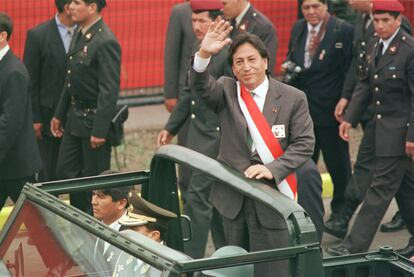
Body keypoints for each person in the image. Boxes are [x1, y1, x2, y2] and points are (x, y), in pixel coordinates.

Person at [190, 21, 316, 276]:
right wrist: (203, 54)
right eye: (239, 62)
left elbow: (304, 144)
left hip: (273, 200)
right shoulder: (226, 90)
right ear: (233, 69)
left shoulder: (293, 97)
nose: (246, 67)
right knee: (231, 271)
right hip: (231, 201)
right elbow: (200, 86)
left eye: (252, 59)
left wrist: (272, 168)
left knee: (272, 270)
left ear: (265, 62)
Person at [326, 0, 414, 256]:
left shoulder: (409, 50)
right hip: (377, 129)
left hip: (399, 133)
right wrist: (349, 119)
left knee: (378, 191)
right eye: (377, 20)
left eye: (386, 20)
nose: (380, 25)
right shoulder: (376, 45)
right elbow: (365, 84)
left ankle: (353, 248)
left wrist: (412, 137)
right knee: (406, 188)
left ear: (398, 20)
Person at [157, 0, 229, 259]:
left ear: (217, 20)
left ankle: (191, 261)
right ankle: (226, 255)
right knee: (204, 198)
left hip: (219, 140)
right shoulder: (199, 48)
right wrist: (170, 128)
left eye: (202, 20)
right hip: (198, 136)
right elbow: (188, 93)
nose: (196, 26)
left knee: (198, 199)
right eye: (193, 20)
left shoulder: (229, 50)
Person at [284, 0, 354, 223]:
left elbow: (350, 70)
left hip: (332, 110)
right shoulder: (298, 27)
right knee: (304, 165)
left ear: (326, 6)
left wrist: (346, 101)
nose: (311, 12)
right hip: (303, 112)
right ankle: (303, 213)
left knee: (338, 165)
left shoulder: (342, 29)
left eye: (316, 6)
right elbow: (292, 57)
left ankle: (341, 213)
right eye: (306, 8)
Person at [51, 0, 121, 214]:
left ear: (92, 7)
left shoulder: (105, 40)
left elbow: (109, 90)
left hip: (93, 123)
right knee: (66, 172)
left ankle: (95, 227)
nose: (70, 6)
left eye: (77, 2)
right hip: (74, 119)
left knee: (94, 182)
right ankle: (80, 220)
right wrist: (59, 114)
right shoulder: (81, 33)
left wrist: (100, 130)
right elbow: (70, 78)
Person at [23, 0, 76, 182]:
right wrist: (35, 118)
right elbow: (31, 81)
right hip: (47, 118)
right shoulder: (38, 35)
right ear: (68, 7)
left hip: (76, 117)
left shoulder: (85, 33)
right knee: (48, 173)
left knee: (74, 172)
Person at [0, 12, 42, 211]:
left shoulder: (13, 71)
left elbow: (10, 122)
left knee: (36, 225)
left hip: (17, 167)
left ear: (2, 36)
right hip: (5, 163)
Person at [163, 0, 197, 203]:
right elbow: (172, 53)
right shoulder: (181, 12)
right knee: (185, 148)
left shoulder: (222, 8)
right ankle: (186, 198)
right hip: (185, 95)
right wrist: (170, 93)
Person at [112, 192, 177, 277]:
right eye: (127, 228)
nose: (127, 233)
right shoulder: (124, 255)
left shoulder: (170, 268)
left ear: (154, 235)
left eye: (134, 230)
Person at [221, 0, 278, 74]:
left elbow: (266, 66)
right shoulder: (228, 21)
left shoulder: (262, 27)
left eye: (224, 3)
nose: (221, 9)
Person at [91, 184, 131, 262]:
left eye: (101, 196)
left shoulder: (133, 233)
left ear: (121, 203)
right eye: (93, 194)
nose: (93, 202)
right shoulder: (91, 226)